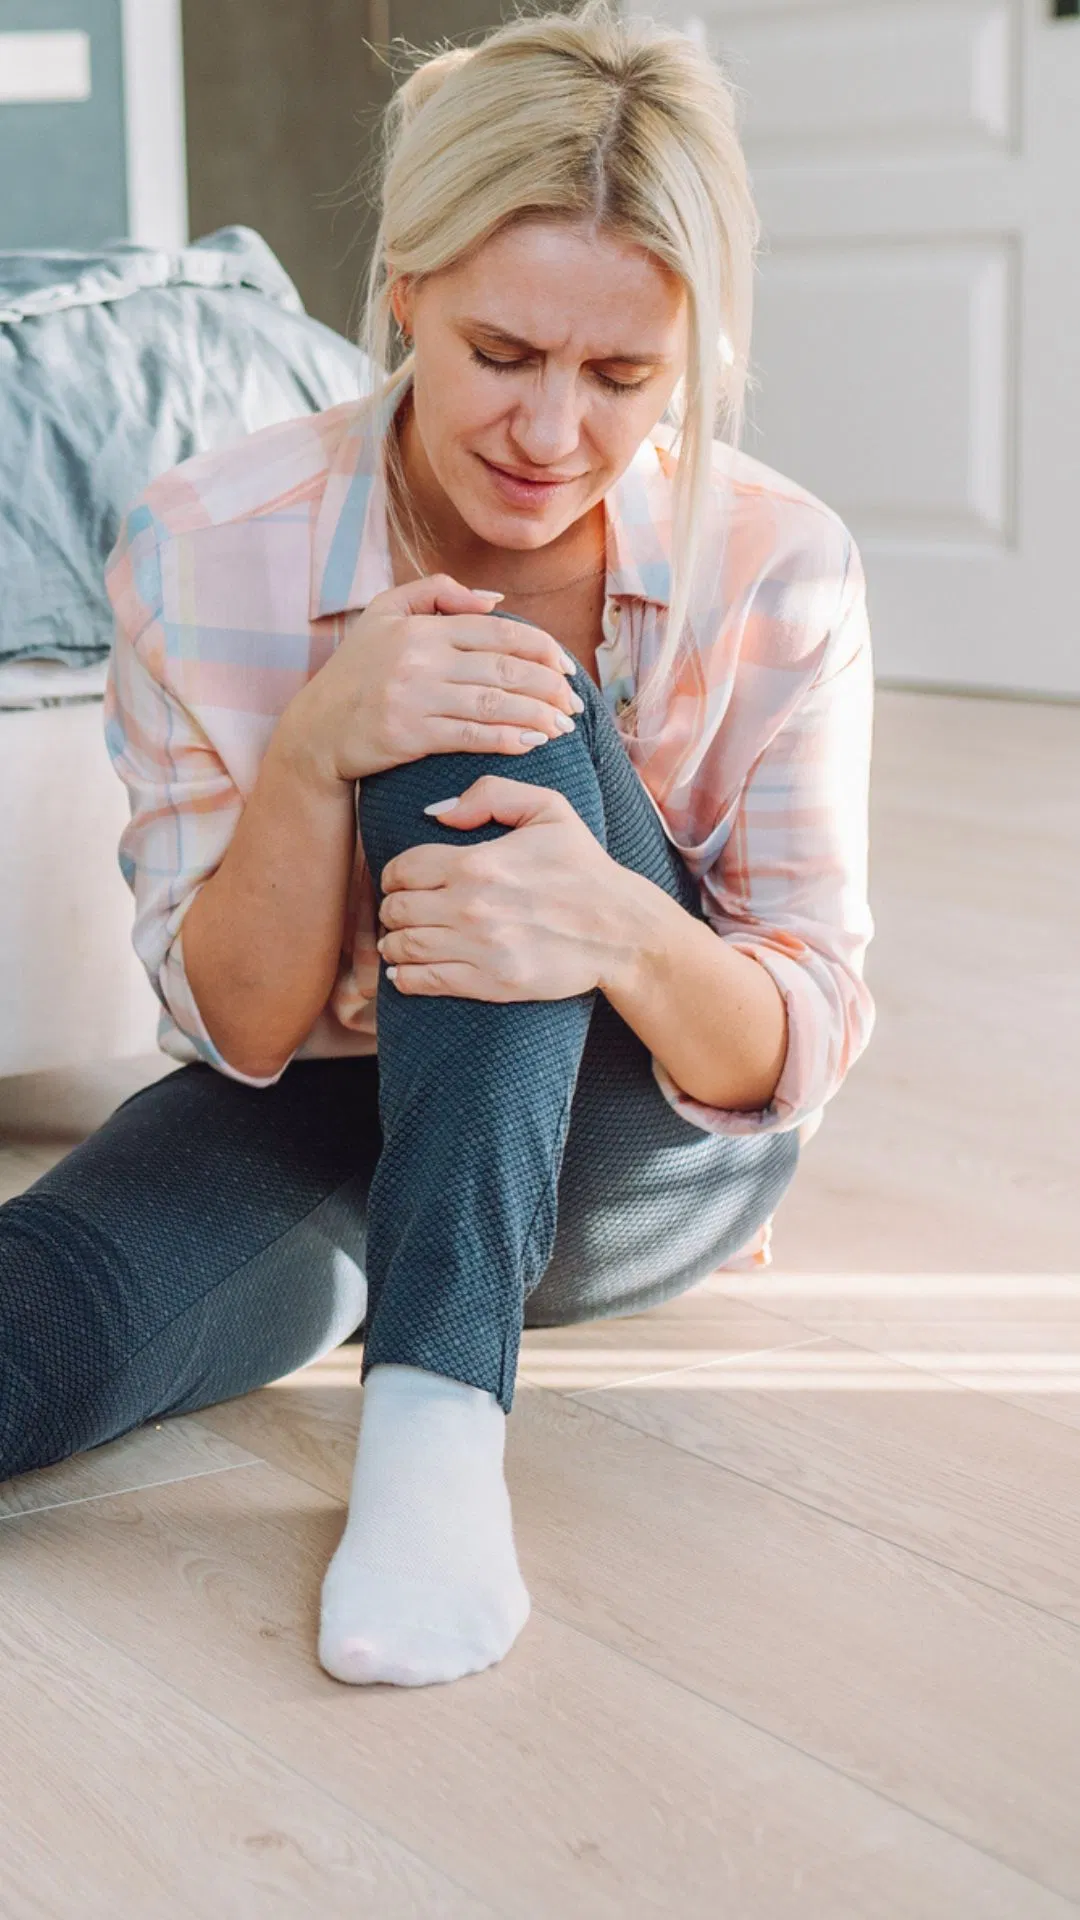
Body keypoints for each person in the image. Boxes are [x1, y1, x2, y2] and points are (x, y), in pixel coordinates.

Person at [0, 2, 875, 1688]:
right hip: (332, 1106)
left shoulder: (784, 564)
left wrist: (615, 925)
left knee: (484, 691)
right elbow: (241, 1032)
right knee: (51, 1315)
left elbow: (799, 1036)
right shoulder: (204, 543)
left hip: (638, 1149)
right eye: (502, 353)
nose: (551, 434)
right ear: (403, 287)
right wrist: (315, 750)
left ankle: (436, 1412)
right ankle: (402, 1314)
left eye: (622, 377)